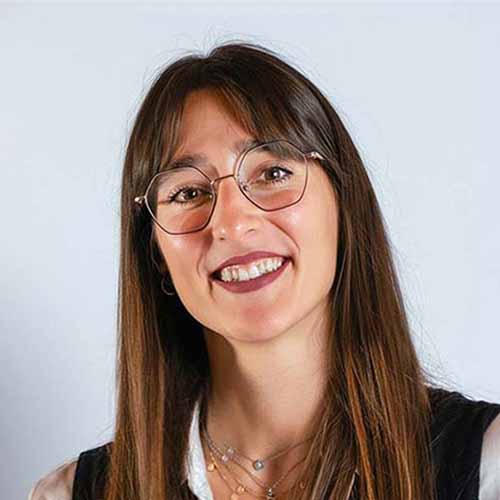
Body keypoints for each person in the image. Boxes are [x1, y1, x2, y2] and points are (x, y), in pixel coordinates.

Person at [29, 42, 500, 500]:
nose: (232, 223)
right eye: (188, 193)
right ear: (155, 252)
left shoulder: (488, 466)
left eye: (273, 173)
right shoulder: (71, 494)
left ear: (343, 201)